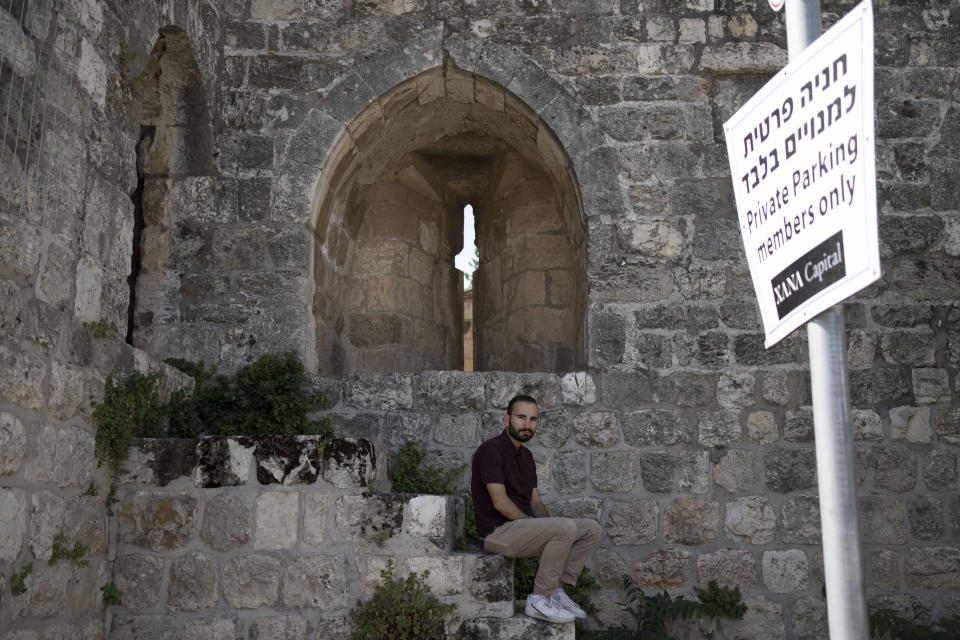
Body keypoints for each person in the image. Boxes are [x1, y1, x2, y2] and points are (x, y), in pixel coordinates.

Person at [470, 394, 602, 623]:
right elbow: (500, 503)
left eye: (533, 419)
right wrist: (549, 528)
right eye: (521, 417)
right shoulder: (490, 450)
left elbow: (535, 503)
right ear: (506, 419)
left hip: (519, 530)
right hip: (496, 533)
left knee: (590, 529)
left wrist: (553, 527)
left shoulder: (527, 456)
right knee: (564, 527)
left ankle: (557, 592)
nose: (527, 424)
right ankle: (539, 599)